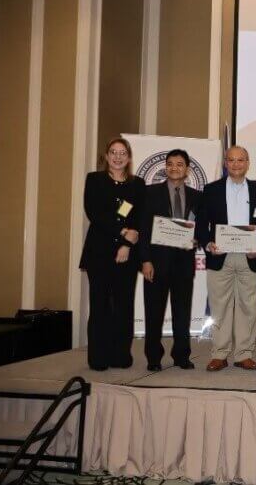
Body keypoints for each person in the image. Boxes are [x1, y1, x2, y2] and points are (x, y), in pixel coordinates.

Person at [195, 146, 256, 372]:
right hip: (220, 257)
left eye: (241, 160)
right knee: (220, 307)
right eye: (231, 160)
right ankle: (219, 354)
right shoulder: (211, 190)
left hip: (250, 257)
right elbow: (201, 225)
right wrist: (208, 245)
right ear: (226, 163)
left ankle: (244, 354)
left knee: (248, 308)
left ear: (248, 163)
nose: (236, 164)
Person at [79, 137, 146, 371]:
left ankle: (120, 355)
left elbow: (139, 216)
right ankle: (98, 356)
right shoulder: (94, 180)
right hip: (99, 252)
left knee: (124, 304)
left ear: (128, 157)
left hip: (127, 253)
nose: (118, 157)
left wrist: (128, 243)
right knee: (100, 305)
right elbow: (94, 212)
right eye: (113, 152)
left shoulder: (137, 184)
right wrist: (123, 231)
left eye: (123, 153)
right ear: (106, 156)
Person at [138, 149, 201, 371]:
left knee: (182, 312)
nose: (175, 168)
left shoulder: (196, 196)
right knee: (154, 312)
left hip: (183, 263)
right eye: (171, 164)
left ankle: (182, 355)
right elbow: (144, 229)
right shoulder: (150, 193)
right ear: (166, 167)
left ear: (187, 169)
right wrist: (145, 260)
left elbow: (200, 228)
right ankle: (153, 357)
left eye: (180, 164)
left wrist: (196, 240)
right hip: (156, 263)